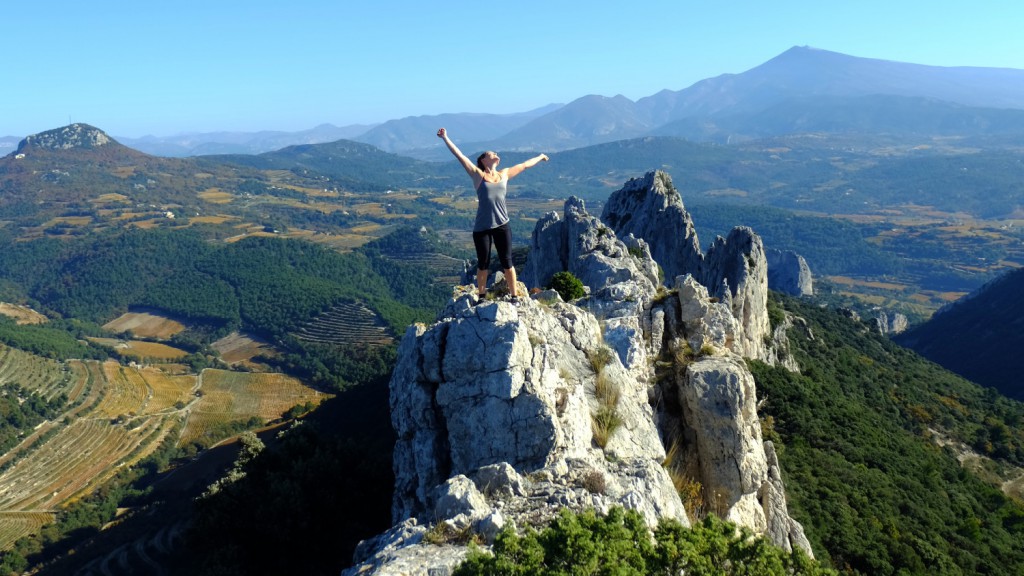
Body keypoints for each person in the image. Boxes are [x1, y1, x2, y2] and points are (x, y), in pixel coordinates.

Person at [437, 127, 548, 302]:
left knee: (507, 262)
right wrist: (445, 137)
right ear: (483, 160)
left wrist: (541, 157)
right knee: (483, 264)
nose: (495, 153)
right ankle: (481, 296)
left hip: (502, 225)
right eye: (491, 153)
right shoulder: (478, 175)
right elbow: (460, 156)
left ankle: (514, 296)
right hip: (482, 228)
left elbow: (525, 165)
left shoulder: (504, 174)